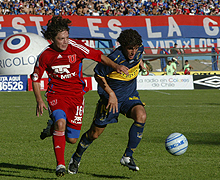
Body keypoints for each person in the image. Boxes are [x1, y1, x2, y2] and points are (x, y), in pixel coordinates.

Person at [31, 15, 129, 177]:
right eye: (61, 39)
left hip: (76, 96)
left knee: (72, 140)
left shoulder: (76, 47)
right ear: (52, 39)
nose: (65, 42)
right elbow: (35, 79)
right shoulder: (45, 55)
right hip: (56, 95)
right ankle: (60, 165)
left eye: (67, 38)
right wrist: (39, 99)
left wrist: (116, 66)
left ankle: (52, 127)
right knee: (61, 123)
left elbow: (99, 56)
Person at [68, 29, 147, 174]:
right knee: (94, 134)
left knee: (141, 115)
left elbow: (138, 56)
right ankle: (76, 157)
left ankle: (127, 156)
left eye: (135, 48)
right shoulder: (114, 58)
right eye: (130, 48)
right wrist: (111, 93)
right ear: (122, 45)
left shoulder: (139, 50)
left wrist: (141, 63)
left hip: (130, 95)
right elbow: (97, 74)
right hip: (110, 100)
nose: (133, 51)